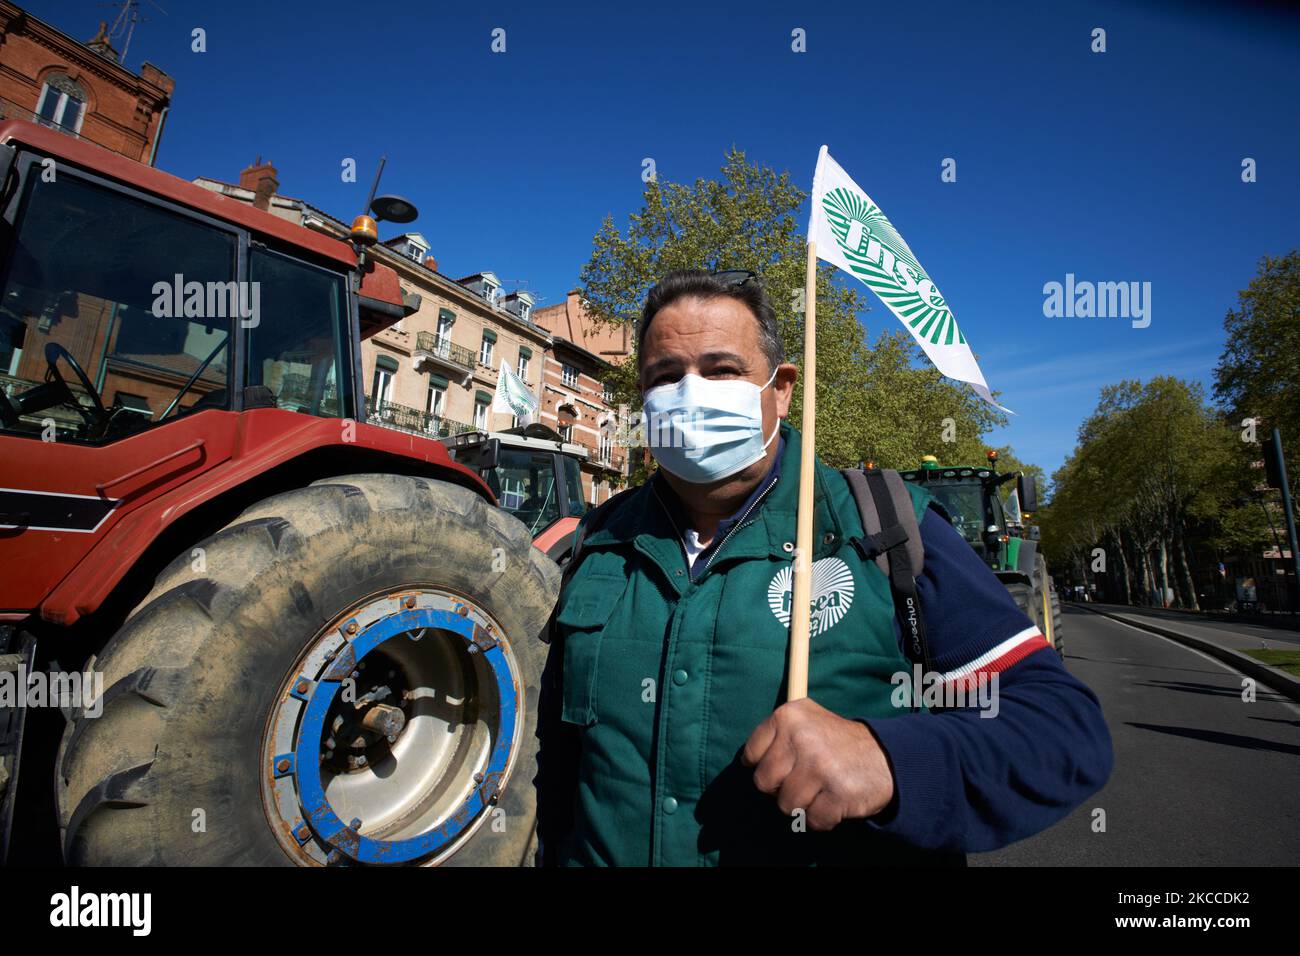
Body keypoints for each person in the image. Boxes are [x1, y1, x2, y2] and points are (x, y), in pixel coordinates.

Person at [535, 269, 1112, 866]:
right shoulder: (597, 541)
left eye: (722, 370)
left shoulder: (885, 525)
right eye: (665, 376)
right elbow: (550, 763)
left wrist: (888, 760)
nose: (691, 391)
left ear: (781, 389)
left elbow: (1062, 728)